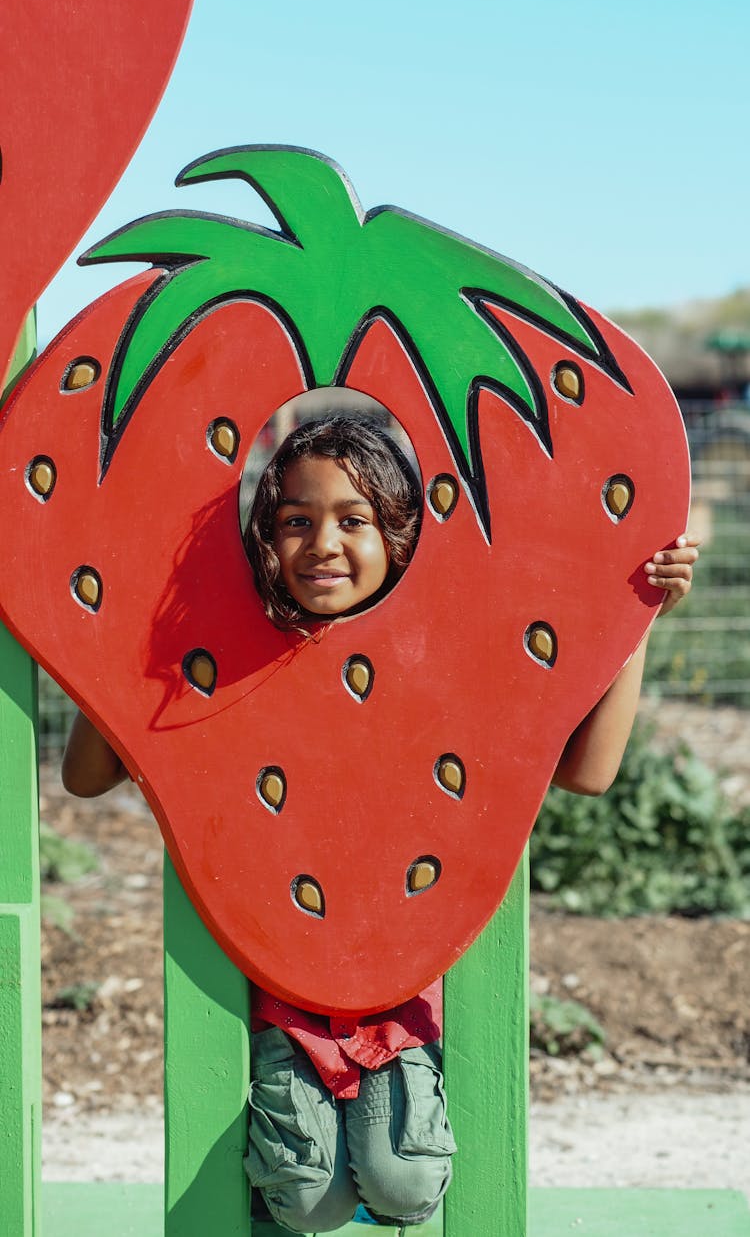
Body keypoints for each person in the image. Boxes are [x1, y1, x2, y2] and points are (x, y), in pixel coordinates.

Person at [63, 412, 700, 1234]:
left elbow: (588, 772)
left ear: (403, 540)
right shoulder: (229, 657)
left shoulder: (447, 665)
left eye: (353, 520)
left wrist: (634, 617)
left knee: (402, 1183)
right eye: (296, 520)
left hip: (406, 988)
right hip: (276, 989)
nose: (323, 542)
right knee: (308, 1197)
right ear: (264, 539)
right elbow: (84, 779)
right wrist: (116, 634)